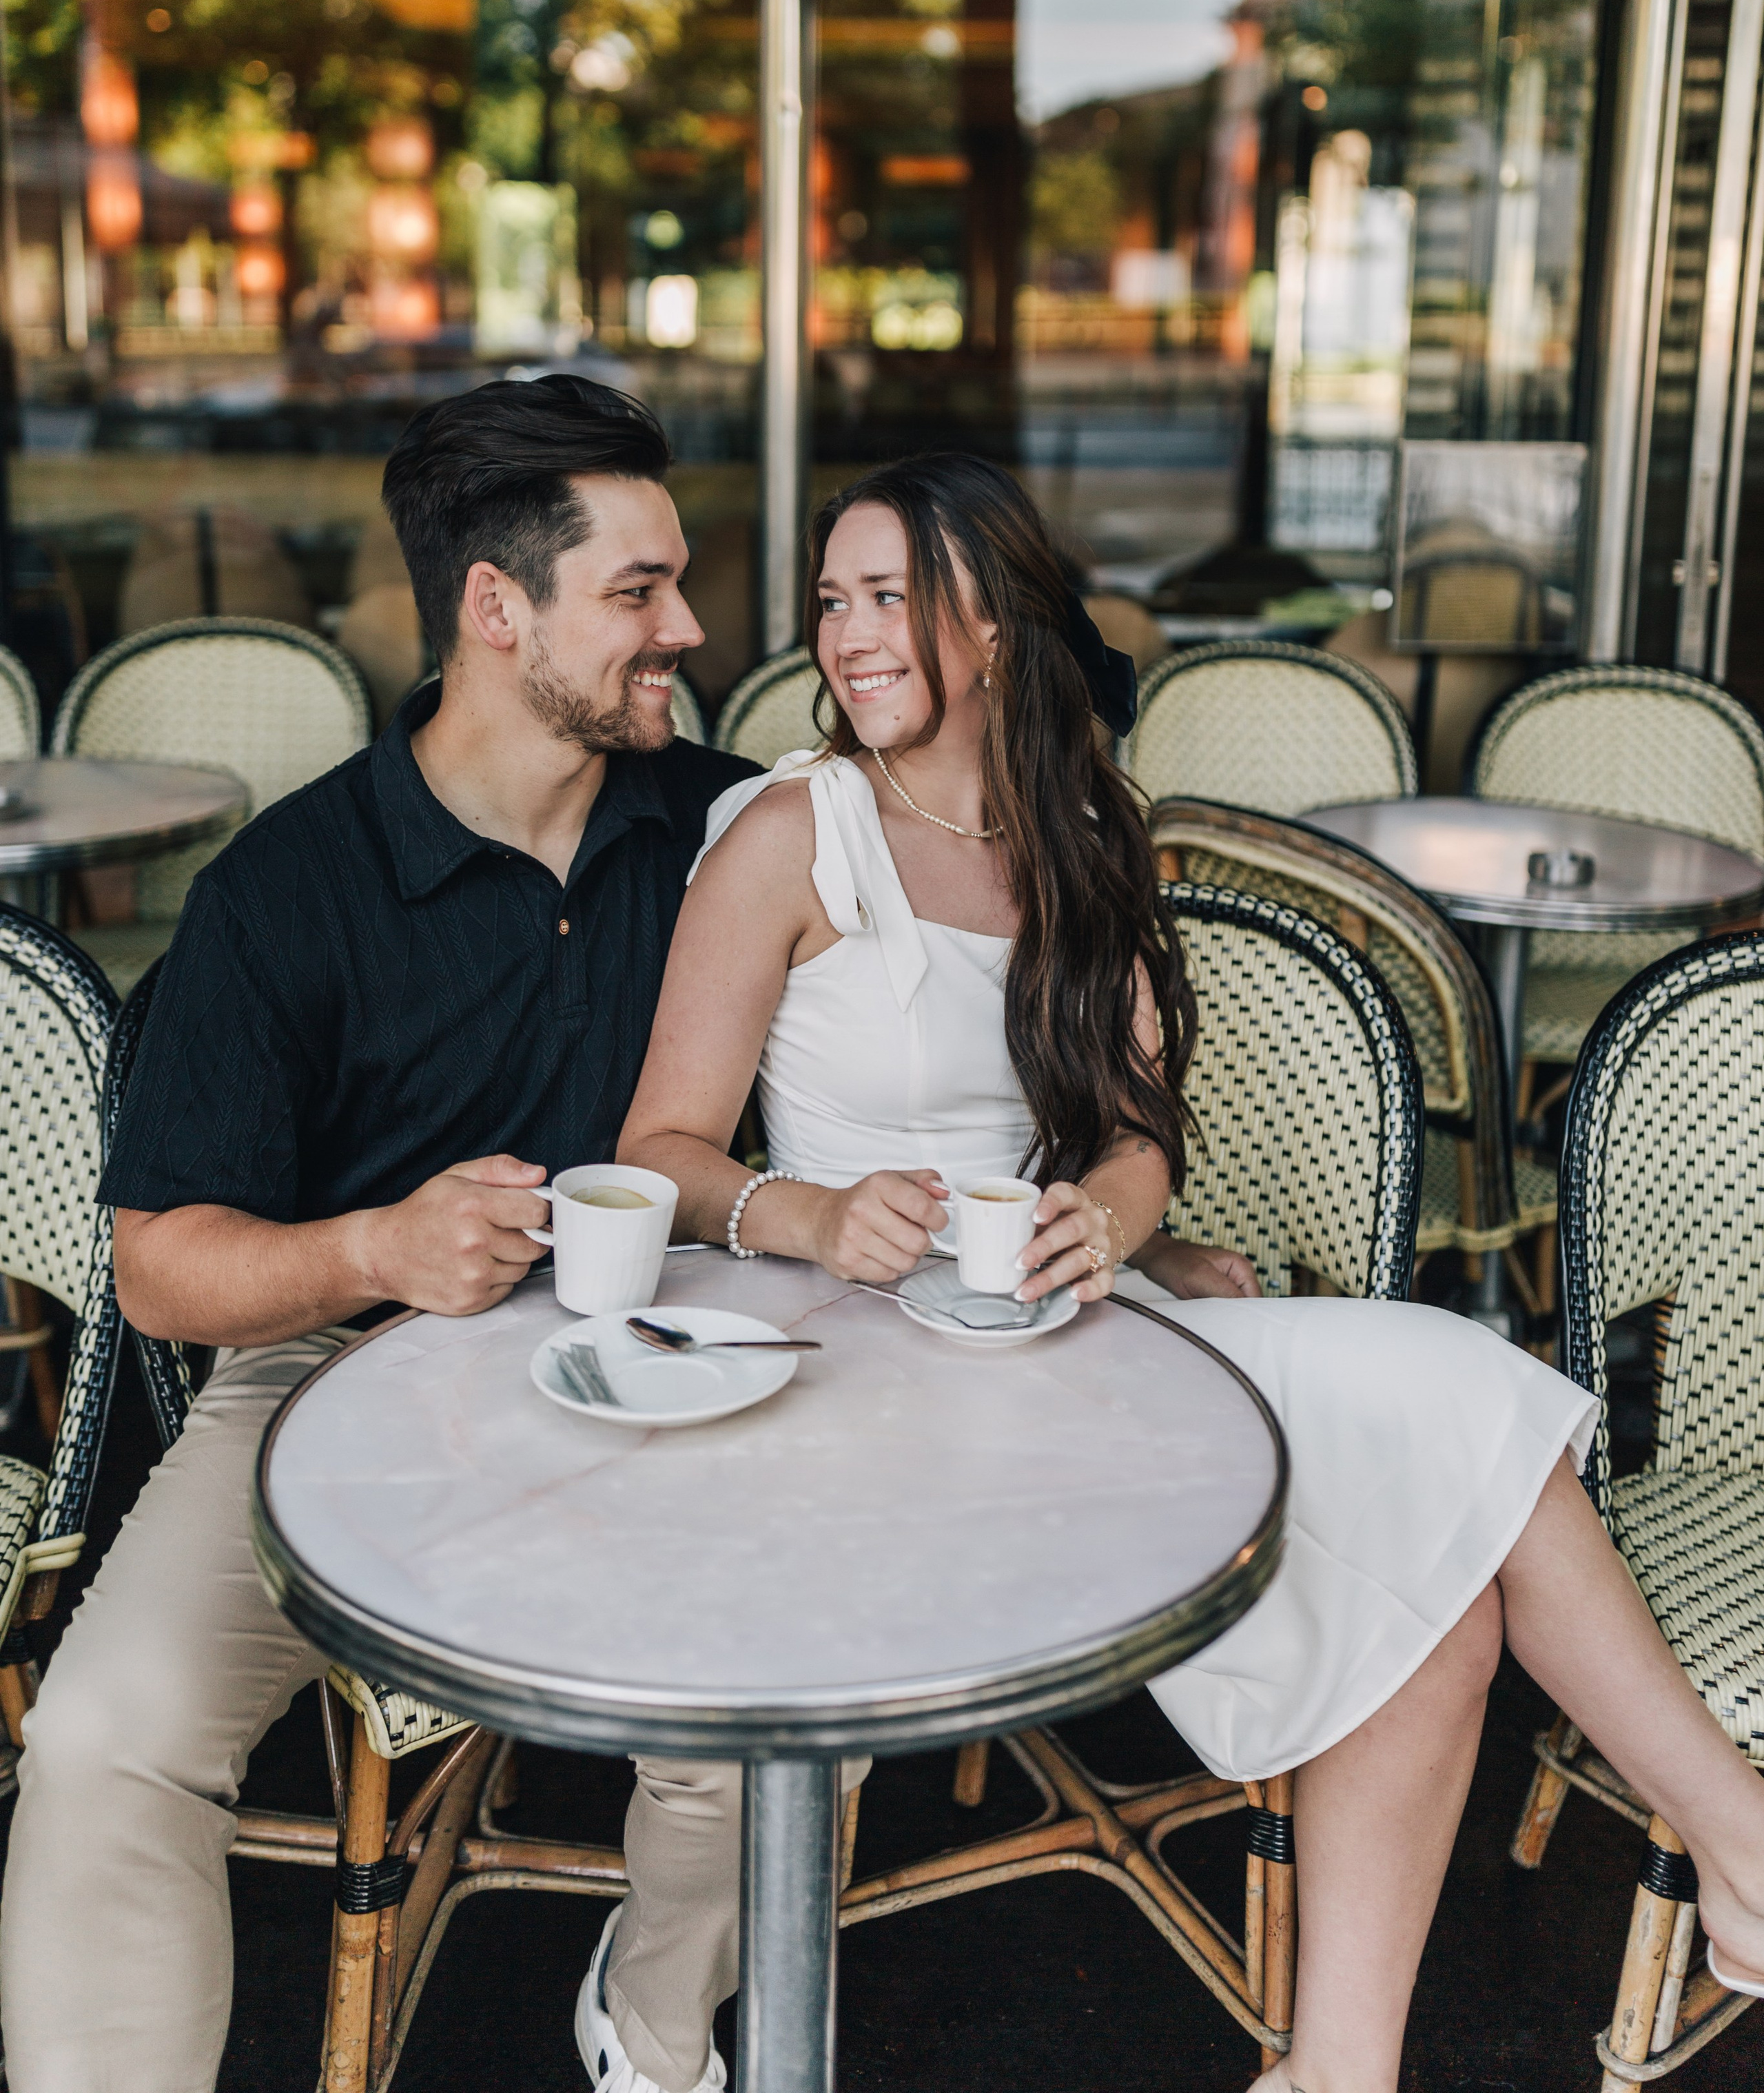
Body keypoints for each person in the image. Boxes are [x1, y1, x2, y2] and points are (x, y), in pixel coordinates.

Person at [581, 451, 1764, 2093]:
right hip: (849, 1351)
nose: (844, 636)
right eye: (832, 600)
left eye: (886, 597)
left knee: (1431, 1580)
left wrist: (1109, 1226)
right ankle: (1742, 1845)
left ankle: (1337, 2073)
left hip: (1053, 1328)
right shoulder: (794, 834)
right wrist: (814, 1212)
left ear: (991, 626)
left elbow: (1135, 1136)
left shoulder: (1086, 833)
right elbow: (660, 1148)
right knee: (1447, 1409)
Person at [0, 374, 757, 2093]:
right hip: (332, 1376)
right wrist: (370, 1251)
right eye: (638, 591)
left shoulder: (729, 831)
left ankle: (652, 2035)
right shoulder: (284, 892)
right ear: (498, 608)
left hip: (665, 1368)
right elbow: (159, 1267)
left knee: (772, 1705)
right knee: (105, 1736)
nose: (687, 628)